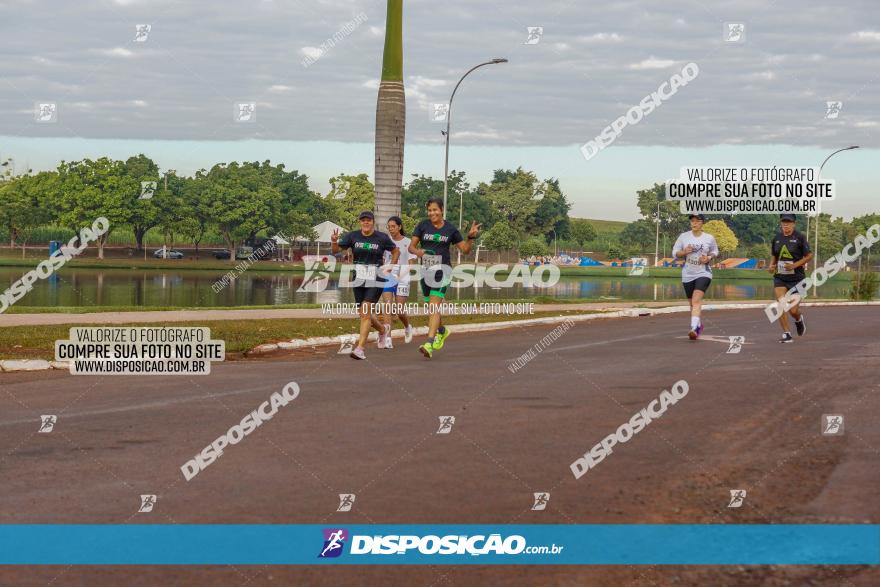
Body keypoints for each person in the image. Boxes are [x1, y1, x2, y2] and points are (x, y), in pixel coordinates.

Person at [408, 198, 481, 359]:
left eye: (435, 210)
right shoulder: (422, 225)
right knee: (431, 308)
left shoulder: (450, 229)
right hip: (426, 271)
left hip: (443, 272)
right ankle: (442, 330)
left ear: (442, 210)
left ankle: (429, 343)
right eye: (429, 210)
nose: (432, 213)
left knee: (434, 307)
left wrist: (470, 237)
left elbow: (465, 250)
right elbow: (411, 247)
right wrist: (418, 252)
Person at [331, 211, 398, 360]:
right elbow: (335, 251)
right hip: (359, 278)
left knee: (366, 311)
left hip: (376, 277)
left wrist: (390, 266)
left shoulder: (382, 238)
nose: (365, 223)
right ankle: (382, 329)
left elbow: (395, 250)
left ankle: (360, 349)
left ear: (373, 222)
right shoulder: (352, 236)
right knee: (363, 313)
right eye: (363, 221)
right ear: (360, 222)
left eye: (368, 220)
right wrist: (334, 241)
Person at [672, 213, 719, 340]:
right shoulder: (683, 237)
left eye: (697, 221)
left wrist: (709, 257)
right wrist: (684, 252)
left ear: (702, 222)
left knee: (696, 300)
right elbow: (675, 253)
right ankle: (698, 326)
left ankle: (693, 328)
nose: (694, 223)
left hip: (704, 272)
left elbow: (715, 250)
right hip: (687, 274)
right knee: (692, 304)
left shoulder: (709, 238)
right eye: (692, 221)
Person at [768, 213, 812, 343]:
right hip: (780, 277)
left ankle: (798, 319)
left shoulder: (800, 238)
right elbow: (774, 256)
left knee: (793, 310)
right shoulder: (776, 238)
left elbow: (809, 256)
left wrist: (795, 265)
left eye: (788, 222)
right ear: (781, 223)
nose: (786, 225)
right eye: (783, 222)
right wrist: (771, 266)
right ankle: (786, 334)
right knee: (781, 304)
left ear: (794, 224)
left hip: (797, 278)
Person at [378, 216, 415, 348]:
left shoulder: (408, 242)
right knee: (387, 306)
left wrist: (400, 276)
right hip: (388, 276)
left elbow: (411, 265)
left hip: (403, 277)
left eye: (393, 226)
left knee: (399, 310)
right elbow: (382, 259)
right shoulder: (385, 241)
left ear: (399, 227)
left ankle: (407, 326)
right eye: (389, 227)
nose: (391, 229)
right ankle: (388, 339)